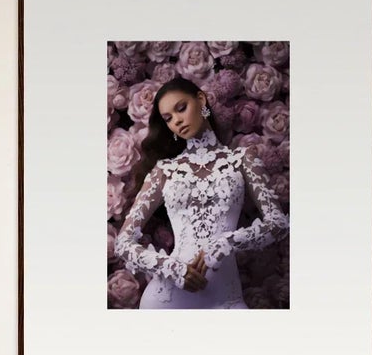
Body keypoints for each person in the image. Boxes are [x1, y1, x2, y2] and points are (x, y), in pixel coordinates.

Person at [114, 78, 288, 310]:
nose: (177, 120)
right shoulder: (165, 170)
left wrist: (225, 242)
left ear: (201, 99)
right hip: (167, 299)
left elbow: (279, 224)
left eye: (181, 108)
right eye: (168, 118)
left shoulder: (241, 160)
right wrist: (172, 268)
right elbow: (123, 243)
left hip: (225, 299)